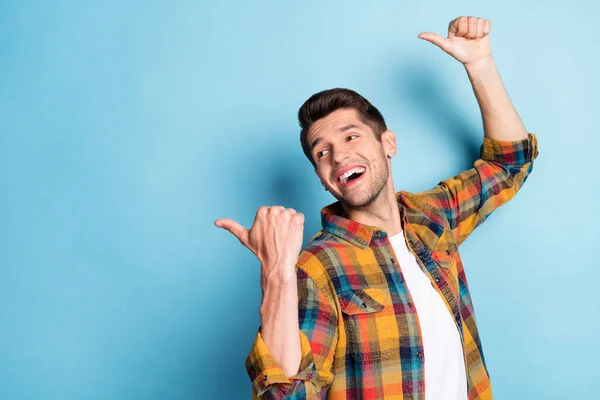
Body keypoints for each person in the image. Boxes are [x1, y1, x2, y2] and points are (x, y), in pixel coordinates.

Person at [215, 15, 539, 400]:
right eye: (323, 152)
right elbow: (287, 395)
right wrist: (277, 275)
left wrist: (480, 65)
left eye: (351, 136)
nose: (338, 155)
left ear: (388, 144)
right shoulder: (316, 267)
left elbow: (509, 164)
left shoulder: (432, 218)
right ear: (322, 176)